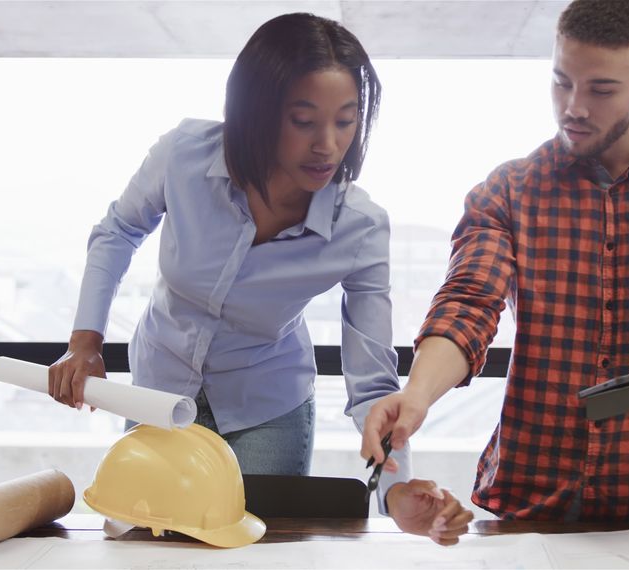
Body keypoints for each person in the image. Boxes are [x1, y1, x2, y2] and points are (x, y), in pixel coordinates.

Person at [47, 13, 472, 544]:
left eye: (345, 121)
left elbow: (373, 384)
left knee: (255, 551)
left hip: (269, 409)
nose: (328, 145)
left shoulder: (360, 227)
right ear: (259, 112)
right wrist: (84, 342)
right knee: (152, 545)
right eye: (303, 120)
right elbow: (117, 231)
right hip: (160, 391)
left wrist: (396, 491)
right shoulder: (184, 155)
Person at [361, 0, 629, 523]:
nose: (574, 107)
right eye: (562, 82)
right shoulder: (509, 190)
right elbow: (469, 301)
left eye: (601, 89)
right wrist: (418, 395)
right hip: (534, 485)